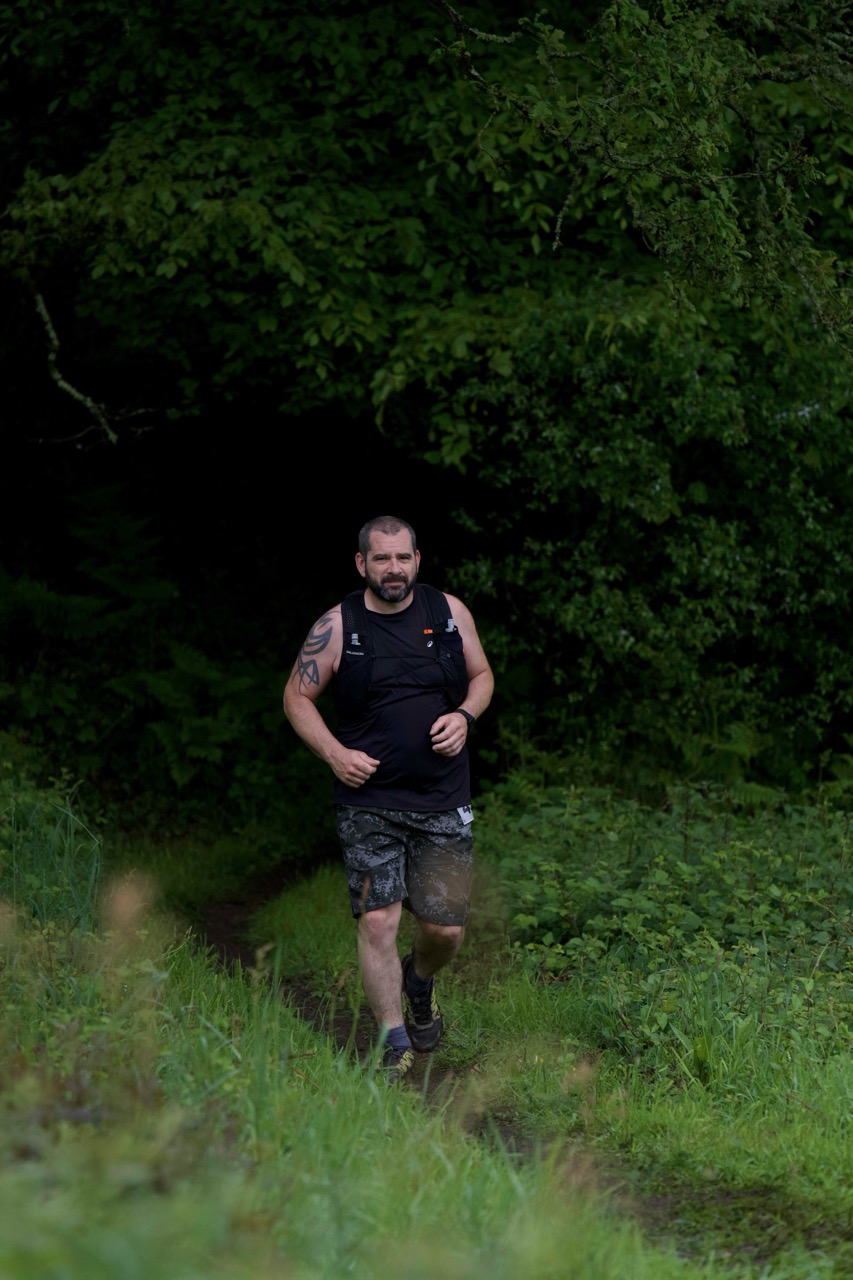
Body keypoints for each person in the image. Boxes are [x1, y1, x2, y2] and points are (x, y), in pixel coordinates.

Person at [282, 515, 494, 1082]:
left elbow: (482, 676)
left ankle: (418, 981)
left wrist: (464, 715)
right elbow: (296, 697)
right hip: (368, 801)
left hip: (443, 798)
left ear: (417, 560)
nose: (393, 568)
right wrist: (335, 754)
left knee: (445, 931)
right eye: (381, 558)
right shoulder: (338, 625)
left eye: (402, 557)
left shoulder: (449, 613)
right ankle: (392, 1040)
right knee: (378, 920)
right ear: (362, 564)